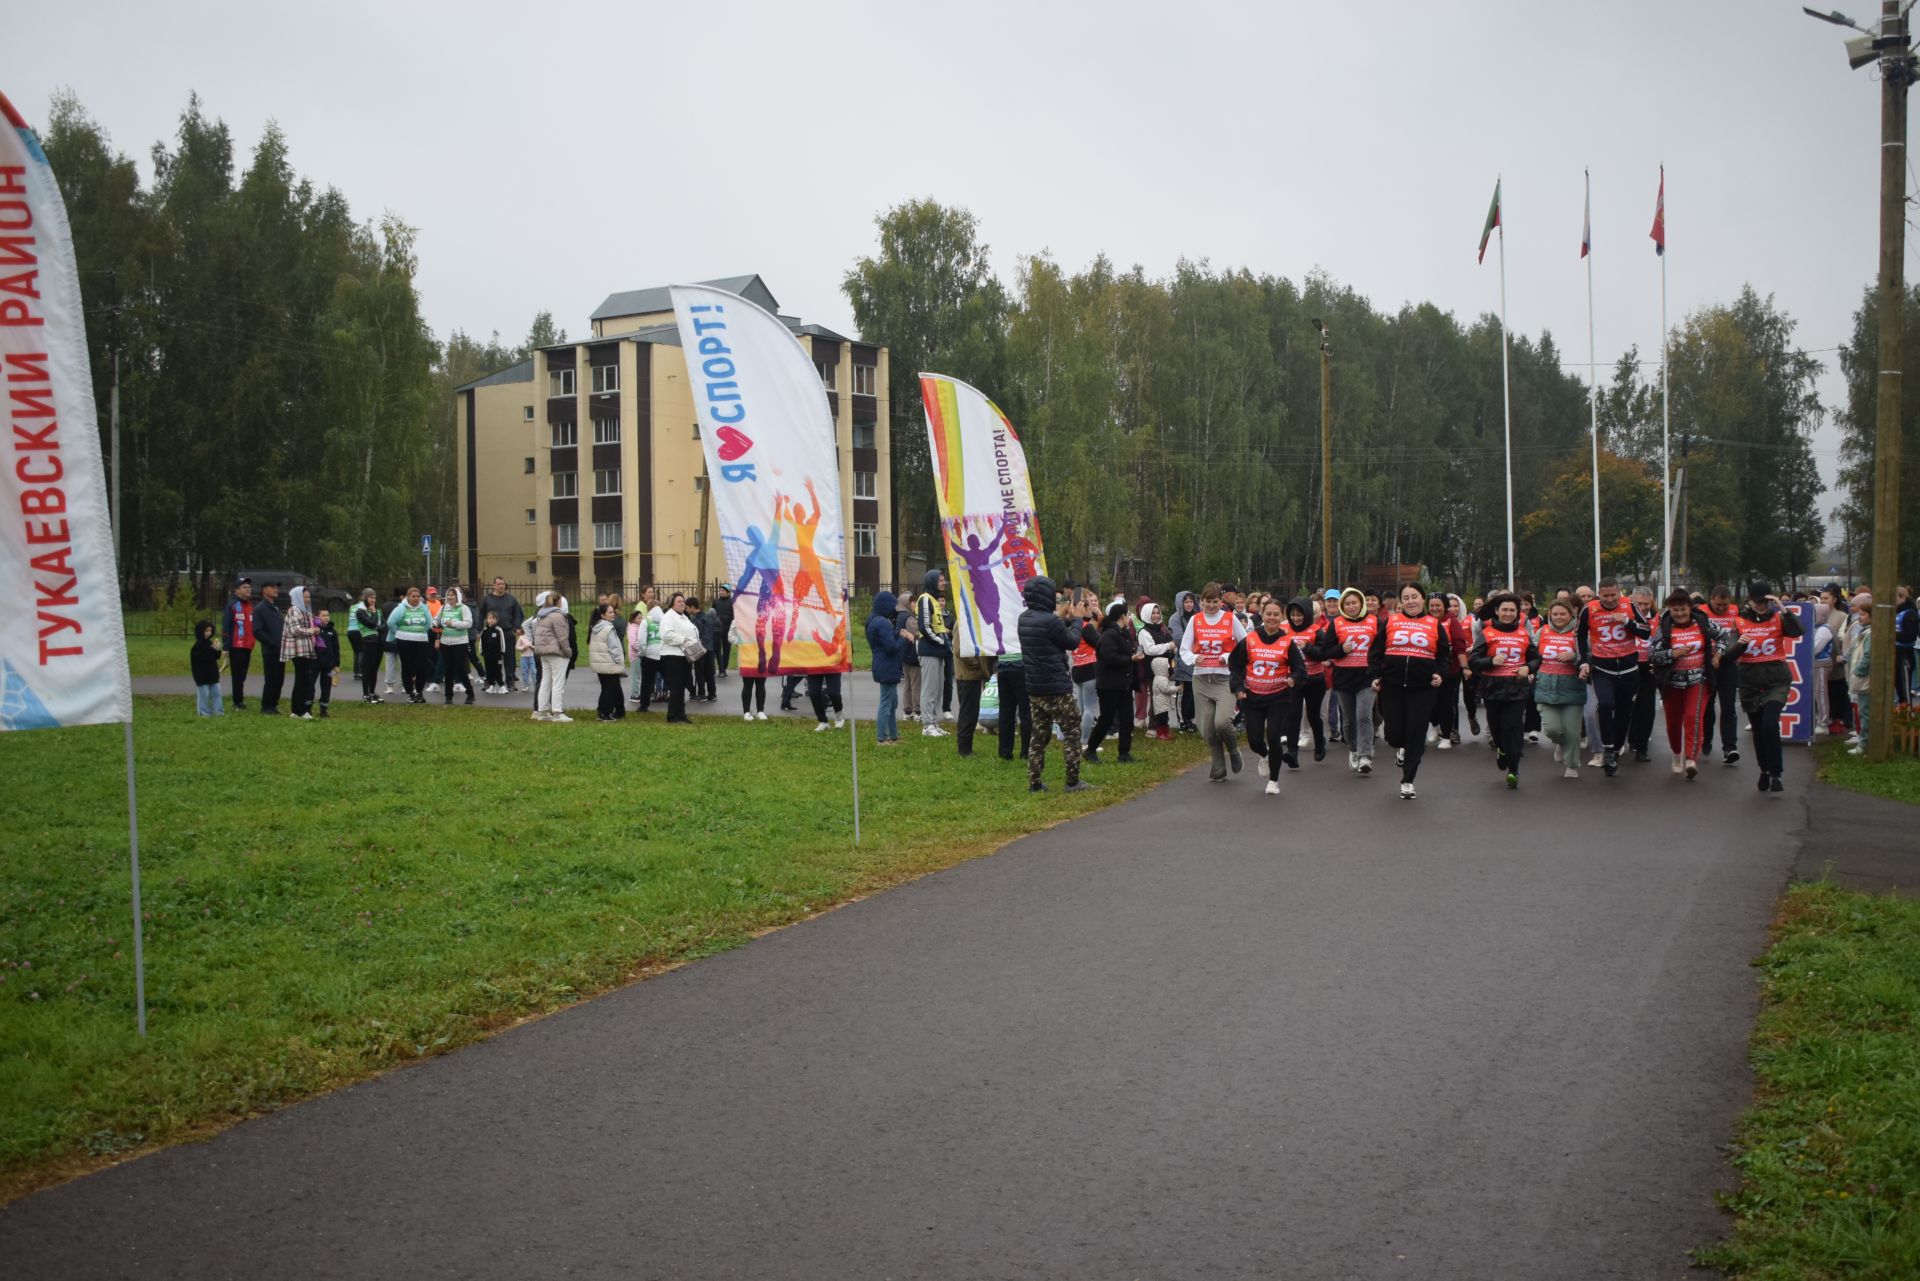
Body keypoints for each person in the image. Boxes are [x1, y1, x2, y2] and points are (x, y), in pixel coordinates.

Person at [1371, 583, 1451, 799]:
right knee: (1394, 735)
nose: (1410, 601)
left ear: (1422, 599)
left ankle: (1408, 780)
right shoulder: (1391, 622)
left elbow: (1444, 656)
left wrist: (1440, 674)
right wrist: (1375, 676)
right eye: (1406, 598)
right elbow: (1376, 652)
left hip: (1423, 688)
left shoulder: (1434, 625)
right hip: (1393, 686)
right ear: (1400, 602)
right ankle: (1401, 748)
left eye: (1414, 596)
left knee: (1416, 732)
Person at [1725, 581, 1804, 794]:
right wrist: (1740, 643)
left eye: (1766, 602)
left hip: (1776, 680)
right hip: (1750, 681)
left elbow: (1798, 631)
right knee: (1759, 730)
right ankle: (1764, 770)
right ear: (1749, 601)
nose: (1762, 606)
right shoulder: (1740, 621)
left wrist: (1783, 607)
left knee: (1770, 725)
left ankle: (1777, 773)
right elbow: (1728, 655)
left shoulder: (1778, 617)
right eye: (1758, 602)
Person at [1017, 575, 1093, 794]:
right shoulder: (1049, 621)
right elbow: (1070, 641)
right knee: (1071, 731)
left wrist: (1067, 618)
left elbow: (1052, 633)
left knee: (1038, 736)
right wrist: (1077, 620)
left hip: (1034, 687)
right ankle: (1072, 781)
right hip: (1057, 687)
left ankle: (1035, 782)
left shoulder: (1025, 619)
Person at [1228, 597, 1308, 796]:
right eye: (1268, 614)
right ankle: (1263, 755)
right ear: (1262, 615)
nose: (1272, 618)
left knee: (1273, 736)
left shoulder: (1287, 641)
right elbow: (1235, 665)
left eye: (1276, 614)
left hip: (1278, 697)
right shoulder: (1250, 639)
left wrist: (1293, 679)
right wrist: (1238, 687)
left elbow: (1301, 670)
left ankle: (1274, 780)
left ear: (1282, 617)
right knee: (1255, 740)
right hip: (1253, 698)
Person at [1648, 589, 1728, 779]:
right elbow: (1652, 655)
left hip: (1698, 681)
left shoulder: (1703, 622)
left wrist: (1718, 654)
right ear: (1669, 610)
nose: (1679, 614)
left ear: (1689, 608)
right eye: (1675, 610)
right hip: (1672, 683)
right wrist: (1672, 654)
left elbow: (1724, 635)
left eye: (1683, 609)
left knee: (1693, 717)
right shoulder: (1664, 627)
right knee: (1673, 724)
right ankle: (1677, 754)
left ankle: (1691, 759)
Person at [1574, 576, 1649, 777]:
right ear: (1599, 594)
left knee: (1624, 712)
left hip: (1628, 668)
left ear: (1619, 592)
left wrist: (1626, 622)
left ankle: (1615, 751)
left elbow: (1646, 632)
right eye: (1605, 595)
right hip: (1602, 668)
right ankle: (1607, 749)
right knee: (1605, 705)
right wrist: (1582, 661)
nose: (1609, 599)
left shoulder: (1630, 605)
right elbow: (1579, 635)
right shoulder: (1589, 609)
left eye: (1613, 595)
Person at [1469, 592, 1539, 789]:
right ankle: (1501, 749)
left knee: (1513, 727)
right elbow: (1474, 660)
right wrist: (1490, 661)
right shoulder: (1487, 633)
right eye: (1504, 610)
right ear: (1497, 612)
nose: (1508, 613)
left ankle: (1513, 770)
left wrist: (1528, 668)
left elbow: (1536, 658)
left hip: (1517, 688)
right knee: (1498, 728)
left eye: (1512, 610)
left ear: (1518, 613)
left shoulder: (1524, 633)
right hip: (1493, 688)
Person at [1181, 582, 1246, 783]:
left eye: (1215, 601)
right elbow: (1184, 649)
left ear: (1221, 602)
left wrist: (1228, 656)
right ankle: (1218, 768)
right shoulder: (1195, 620)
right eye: (1207, 602)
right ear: (1201, 602)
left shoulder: (1230, 618)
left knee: (1222, 723)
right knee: (1207, 728)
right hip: (1201, 678)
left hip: (1224, 678)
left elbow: (1245, 644)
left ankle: (1234, 750)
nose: (1210, 605)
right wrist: (1193, 658)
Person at [1309, 587, 1378, 775]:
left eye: (1354, 602)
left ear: (1362, 603)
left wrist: (1379, 671)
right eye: (1347, 603)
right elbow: (1325, 651)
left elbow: (1381, 648)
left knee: (1364, 715)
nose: (1351, 606)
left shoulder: (1374, 621)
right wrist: (1341, 649)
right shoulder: (1337, 623)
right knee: (1348, 720)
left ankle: (1366, 755)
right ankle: (1354, 749)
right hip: (1344, 677)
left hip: (1367, 676)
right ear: (1342, 606)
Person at [1532, 600, 1587, 780]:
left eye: (1562, 614)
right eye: (1554, 614)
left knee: (1572, 731)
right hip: (1546, 687)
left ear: (1571, 615)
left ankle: (1571, 765)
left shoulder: (1579, 633)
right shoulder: (1542, 631)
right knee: (1551, 729)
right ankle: (1561, 743)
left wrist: (1574, 656)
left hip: (1572, 688)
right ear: (1549, 615)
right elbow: (1531, 652)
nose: (1558, 617)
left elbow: (1591, 654)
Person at [1084, 602, 1138, 765]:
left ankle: (1124, 752)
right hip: (1109, 684)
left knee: (1127, 719)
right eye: (1128, 615)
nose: (1129, 618)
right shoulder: (1109, 635)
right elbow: (1109, 657)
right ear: (1122, 616)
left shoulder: (1123, 633)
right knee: (1106, 719)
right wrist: (1130, 659)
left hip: (1123, 683)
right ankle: (1090, 749)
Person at [1700, 585, 1743, 765]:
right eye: (1718, 605)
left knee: (1728, 707)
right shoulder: (1701, 612)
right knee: (1708, 706)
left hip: (1728, 663)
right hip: (1707, 663)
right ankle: (1706, 739)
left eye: (1725, 605)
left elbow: (1737, 633)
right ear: (1711, 599)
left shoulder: (1735, 611)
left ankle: (1729, 747)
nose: (1722, 609)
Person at [915, 569, 953, 736]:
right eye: (940, 580)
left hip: (938, 651)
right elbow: (924, 626)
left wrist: (946, 644)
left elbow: (939, 625)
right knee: (929, 689)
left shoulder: (935, 600)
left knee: (937, 689)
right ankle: (927, 725)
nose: (943, 582)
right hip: (929, 650)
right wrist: (939, 641)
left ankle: (933, 722)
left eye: (943, 580)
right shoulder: (924, 599)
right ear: (931, 582)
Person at [1625, 585, 1660, 762]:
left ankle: (1642, 747)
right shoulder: (1625, 617)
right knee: (1629, 707)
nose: (1644, 607)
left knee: (1647, 709)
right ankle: (1629, 740)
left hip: (1649, 668)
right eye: (1639, 603)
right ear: (1631, 600)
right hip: (1627, 667)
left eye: (1647, 604)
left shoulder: (1657, 619)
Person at [867, 590, 905, 745]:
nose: (894, 609)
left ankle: (893, 734)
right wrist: (902, 639)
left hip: (881, 664)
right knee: (886, 702)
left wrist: (896, 633)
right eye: (892, 606)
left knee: (893, 701)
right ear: (885, 606)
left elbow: (884, 640)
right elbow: (891, 647)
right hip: (887, 666)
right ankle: (882, 738)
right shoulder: (882, 623)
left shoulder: (873, 620)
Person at [528, 592, 573, 722]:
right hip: (556, 652)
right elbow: (562, 636)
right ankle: (558, 712)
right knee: (558, 682)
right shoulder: (558, 616)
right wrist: (567, 651)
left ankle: (542, 711)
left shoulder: (541, 615)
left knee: (545, 681)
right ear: (558, 602)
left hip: (543, 652)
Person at [384, 587, 434, 703]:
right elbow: (391, 622)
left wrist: (420, 630)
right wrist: (399, 632)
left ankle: (419, 692)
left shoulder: (424, 608)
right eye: (413, 596)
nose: (416, 598)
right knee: (407, 667)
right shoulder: (401, 608)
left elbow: (429, 622)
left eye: (417, 596)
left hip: (421, 640)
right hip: (404, 641)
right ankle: (410, 692)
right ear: (408, 597)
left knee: (421, 667)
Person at [658, 592, 699, 724]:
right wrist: (684, 640)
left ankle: (681, 715)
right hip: (672, 656)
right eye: (679, 601)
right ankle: (673, 717)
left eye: (683, 601)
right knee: (676, 687)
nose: (682, 603)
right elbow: (667, 635)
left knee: (681, 687)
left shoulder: (683, 617)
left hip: (684, 656)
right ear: (672, 604)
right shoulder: (668, 617)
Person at [479, 578, 525, 691]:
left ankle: (510, 681)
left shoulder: (511, 599)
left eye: (503, 584)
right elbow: (480, 615)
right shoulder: (487, 599)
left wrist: (516, 627)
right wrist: (479, 629)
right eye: (498, 584)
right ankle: (490, 681)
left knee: (509, 658)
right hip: (492, 633)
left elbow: (518, 615)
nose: (501, 586)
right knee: (491, 658)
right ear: (494, 585)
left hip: (507, 632)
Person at [283, 586, 319, 721]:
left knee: (302, 680)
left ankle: (296, 710)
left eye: (309, 597)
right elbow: (295, 630)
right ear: (297, 597)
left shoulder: (305, 611)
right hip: (298, 650)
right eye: (305, 597)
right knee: (302, 680)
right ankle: (300, 711)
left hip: (306, 649)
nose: (308, 599)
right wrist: (311, 630)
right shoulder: (294, 610)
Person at [221, 577, 256, 709]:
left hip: (248, 646)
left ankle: (239, 698)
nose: (248, 589)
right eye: (244, 587)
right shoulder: (232, 605)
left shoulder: (250, 606)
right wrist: (226, 646)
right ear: (237, 591)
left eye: (249, 587)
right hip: (236, 645)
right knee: (237, 675)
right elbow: (226, 626)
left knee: (242, 674)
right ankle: (238, 702)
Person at [588, 602, 626, 721]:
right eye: (610, 612)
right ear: (603, 615)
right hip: (609, 663)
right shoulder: (608, 628)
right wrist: (619, 661)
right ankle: (606, 713)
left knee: (605, 689)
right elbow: (614, 647)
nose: (613, 614)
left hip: (600, 663)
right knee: (610, 690)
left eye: (613, 611)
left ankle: (601, 711)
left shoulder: (595, 627)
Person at [954, 649, 996, 757]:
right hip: (967, 675)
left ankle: (966, 748)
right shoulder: (961, 630)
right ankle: (964, 749)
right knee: (967, 713)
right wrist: (975, 663)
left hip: (973, 674)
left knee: (972, 713)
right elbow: (959, 650)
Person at [253, 580, 286, 715]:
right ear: (264, 590)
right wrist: (272, 643)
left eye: (277, 587)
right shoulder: (260, 609)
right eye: (272, 587)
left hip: (282, 650)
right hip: (270, 650)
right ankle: (266, 706)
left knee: (279, 679)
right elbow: (257, 631)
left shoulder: (276, 608)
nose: (276, 590)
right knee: (271, 679)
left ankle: (274, 705)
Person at [438, 587, 475, 705]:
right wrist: (434, 623)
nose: (449, 597)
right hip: (445, 642)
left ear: (457, 596)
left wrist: (453, 623)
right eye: (448, 595)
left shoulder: (464, 608)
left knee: (460, 669)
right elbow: (437, 620)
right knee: (448, 669)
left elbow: (468, 623)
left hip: (460, 642)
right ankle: (448, 696)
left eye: (452, 595)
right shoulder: (443, 608)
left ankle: (470, 694)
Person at [1847, 593, 1873, 753]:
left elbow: (1868, 655)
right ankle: (1864, 742)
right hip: (1861, 677)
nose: (1860, 617)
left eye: (1863, 614)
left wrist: (1859, 671)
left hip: (1864, 678)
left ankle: (1864, 744)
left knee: (1865, 712)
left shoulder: (1869, 634)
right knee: (1862, 710)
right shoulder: (1864, 632)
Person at [1170, 590, 1199, 733]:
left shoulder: (1197, 617)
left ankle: (1191, 719)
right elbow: (1179, 638)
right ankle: (1182, 720)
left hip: (1195, 660)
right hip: (1183, 660)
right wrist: (1196, 644)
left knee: (1193, 692)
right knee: (1183, 691)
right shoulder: (1175, 618)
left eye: (1191, 601)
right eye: (1186, 602)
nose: (1189, 604)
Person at [997, 644, 1031, 762]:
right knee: (1026, 712)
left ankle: (1005, 751)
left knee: (1006, 713)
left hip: (1003, 665)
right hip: (1021, 665)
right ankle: (1026, 752)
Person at [350, 590, 385, 704]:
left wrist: (378, 627)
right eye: (371, 598)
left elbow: (385, 625)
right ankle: (365, 695)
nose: (373, 600)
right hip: (368, 641)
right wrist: (374, 613)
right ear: (364, 598)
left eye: (374, 597)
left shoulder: (377, 610)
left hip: (379, 641)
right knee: (368, 669)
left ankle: (372, 692)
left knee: (375, 669)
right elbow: (371, 623)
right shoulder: (360, 611)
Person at [190, 620, 223, 717]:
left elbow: (216, 656)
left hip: (212, 674)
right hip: (202, 675)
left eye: (210, 631)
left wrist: (217, 650)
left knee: (217, 692)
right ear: (201, 631)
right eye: (206, 631)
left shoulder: (210, 643)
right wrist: (210, 649)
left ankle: (219, 712)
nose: (209, 633)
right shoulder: (198, 645)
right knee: (204, 694)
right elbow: (201, 658)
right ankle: (203, 713)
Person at [690, 598, 719, 701]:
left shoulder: (694, 619)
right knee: (710, 672)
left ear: (693, 607)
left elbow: (694, 634)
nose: (688, 610)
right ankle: (712, 693)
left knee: (700, 672)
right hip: (710, 647)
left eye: (688, 607)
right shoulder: (708, 617)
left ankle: (701, 693)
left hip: (699, 648)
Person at [313, 607, 340, 718]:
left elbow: (336, 648)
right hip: (315, 662)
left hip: (329, 664)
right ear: (317, 617)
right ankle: (307, 706)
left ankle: (323, 708)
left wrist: (336, 664)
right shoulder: (314, 629)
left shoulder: (332, 631)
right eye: (323, 615)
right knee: (310, 684)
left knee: (326, 686)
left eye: (328, 615)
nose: (326, 617)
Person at [479, 611, 508, 694]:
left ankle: (502, 686)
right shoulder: (484, 631)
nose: (491, 620)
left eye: (493, 618)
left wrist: (502, 651)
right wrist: (482, 651)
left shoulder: (499, 630)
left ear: (496, 620)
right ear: (487, 619)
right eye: (490, 618)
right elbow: (481, 642)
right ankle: (491, 685)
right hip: (487, 655)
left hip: (497, 655)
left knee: (497, 670)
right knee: (489, 671)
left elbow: (502, 641)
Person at [712, 586, 735, 677]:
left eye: (723, 590)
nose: (721, 592)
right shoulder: (716, 602)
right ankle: (716, 669)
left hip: (727, 629)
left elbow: (734, 615)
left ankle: (724, 669)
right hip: (717, 630)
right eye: (720, 590)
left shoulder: (732, 602)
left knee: (726, 650)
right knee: (716, 649)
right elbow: (713, 613)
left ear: (728, 592)